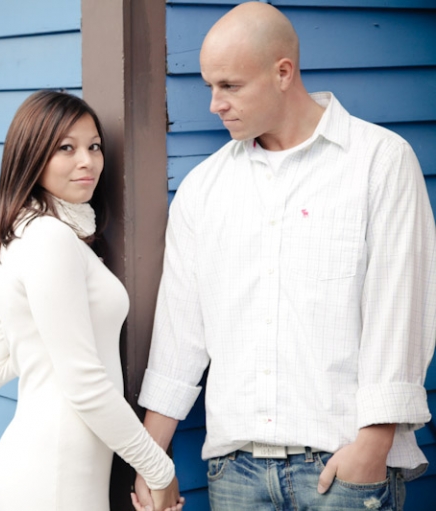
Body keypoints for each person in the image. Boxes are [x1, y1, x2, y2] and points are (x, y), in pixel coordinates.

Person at [132, 3, 436, 510]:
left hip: (341, 468)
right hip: (235, 472)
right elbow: (178, 339)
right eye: (210, 86)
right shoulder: (203, 189)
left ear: (282, 72)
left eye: (230, 86)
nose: (214, 104)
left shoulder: (379, 163)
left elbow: (398, 314)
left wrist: (372, 447)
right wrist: (150, 460)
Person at [0, 90, 184, 511]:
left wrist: (50, 336)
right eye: (66, 148)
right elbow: (85, 383)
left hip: (42, 465)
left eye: (94, 146)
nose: (87, 161)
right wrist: (158, 469)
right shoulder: (50, 238)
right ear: (32, 155)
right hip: (57, 474)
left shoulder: (20, 231)